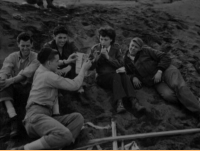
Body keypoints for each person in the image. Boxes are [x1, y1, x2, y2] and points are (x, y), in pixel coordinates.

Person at [12, 47, 91, 150]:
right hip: (36, 118)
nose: (59, 63)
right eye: (57, 61)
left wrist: (67, 61)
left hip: (45, 116)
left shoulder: (41, 69)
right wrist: (83, 69)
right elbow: (74, 85)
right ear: (49, 63)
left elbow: (53, 63)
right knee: (65, 134)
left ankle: (62, 144)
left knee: (77, 118)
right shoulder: (48, 76)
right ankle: (23, 149)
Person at [124, 37, 200, 123]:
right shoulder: (126, 60)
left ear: (140, 48)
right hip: (155, 81)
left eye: (136, 47)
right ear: (129, 44)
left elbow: (165, 57)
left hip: (166, 70)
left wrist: (160, 71)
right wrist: (133, 77)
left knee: (177, 85)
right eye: (132, 45)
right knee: (169, 96)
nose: (132, 48)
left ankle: (197, 111)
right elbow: (128, 72)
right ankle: (191, 100)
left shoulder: (146, 50)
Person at [89, 27, 145, 114]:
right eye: (101, 39)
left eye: (106, 40)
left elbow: (121, 64)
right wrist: (97, 58)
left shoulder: (116, 48)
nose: (102, 42)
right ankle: (119, 102)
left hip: (115, 75)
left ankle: (134, 101)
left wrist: (108, 57)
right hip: (102, 77)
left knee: (124, 75)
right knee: (116, 76)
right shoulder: (95, 48)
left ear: (111, 40)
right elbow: (91, 67)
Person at [0, 32, 39, 138]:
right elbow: (5, 69)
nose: (25, 48)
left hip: (30, 87)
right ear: (18, 45)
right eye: (23, 45)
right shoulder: (12, 56)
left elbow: (26, 74)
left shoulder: (36, 57)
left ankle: (15, 122)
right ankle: (13, 119)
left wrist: (9, 81)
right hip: (15, 86)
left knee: (7, 84)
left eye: (28, 45)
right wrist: (3, 80)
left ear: (31, 45)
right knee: (3, 86)